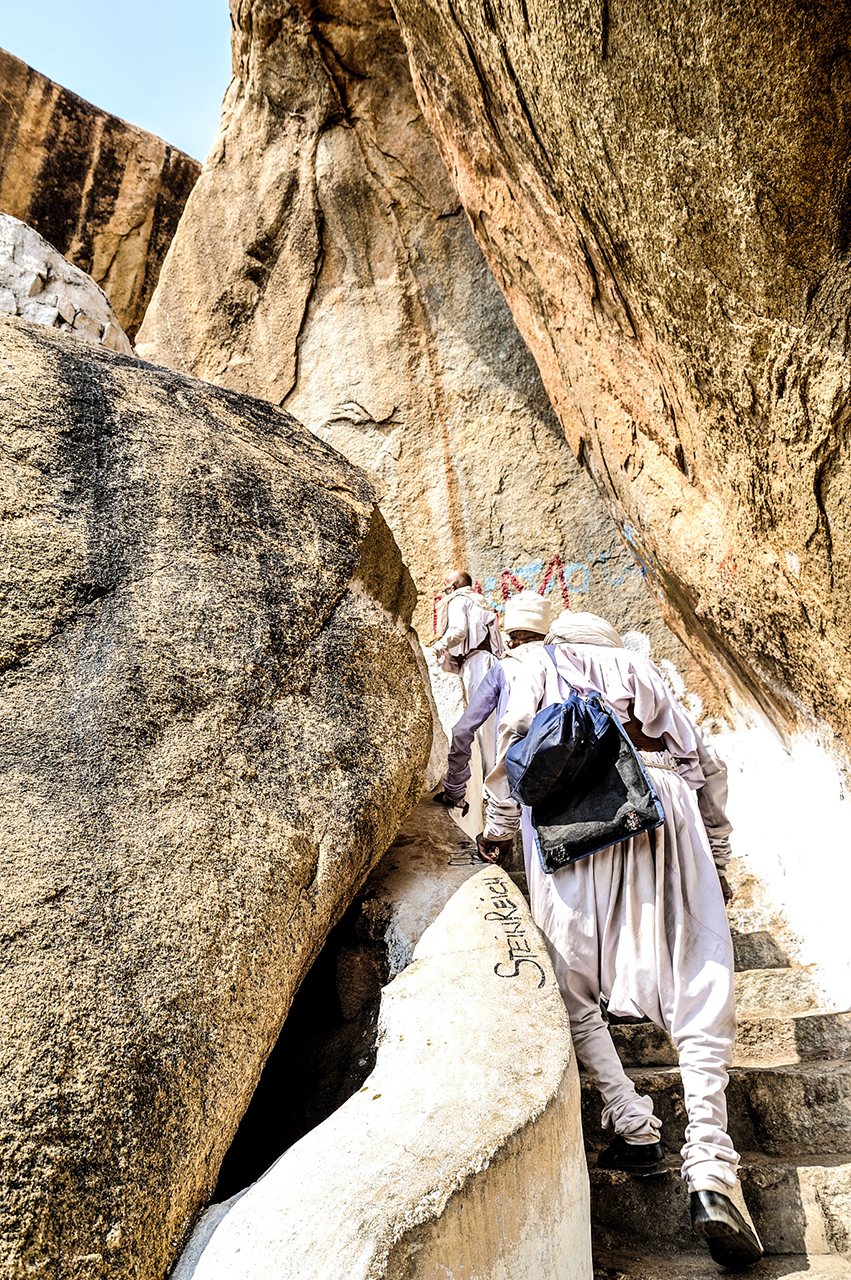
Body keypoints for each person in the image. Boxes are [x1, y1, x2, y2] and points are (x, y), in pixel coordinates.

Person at [480, 610, 763, 1270]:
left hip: (574, 820)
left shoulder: (535, 665)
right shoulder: (640, 668)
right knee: (698, 974)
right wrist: (717, 855)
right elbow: (705, 764)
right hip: (664, 803)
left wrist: (496, 831)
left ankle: (632, 1121)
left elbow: (514, 754)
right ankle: (711, 1166)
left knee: (570, 986)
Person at [434, 590, 552, 824]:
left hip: (515, 790)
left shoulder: (504, 668)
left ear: (510, 640)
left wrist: (455, 790)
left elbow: (463, 730)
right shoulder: (569, 664)